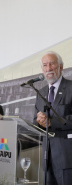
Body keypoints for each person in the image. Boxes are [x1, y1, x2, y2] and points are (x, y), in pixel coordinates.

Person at [33, 51, 72, 185]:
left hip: (67, 157)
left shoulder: (71, 88)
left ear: (61, 67)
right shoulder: (41, 92)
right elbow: (34, 121)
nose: (48, 68)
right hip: (46, 157)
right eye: (45, 65)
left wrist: (51, 122)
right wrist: (39, 121)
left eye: (52, 64)